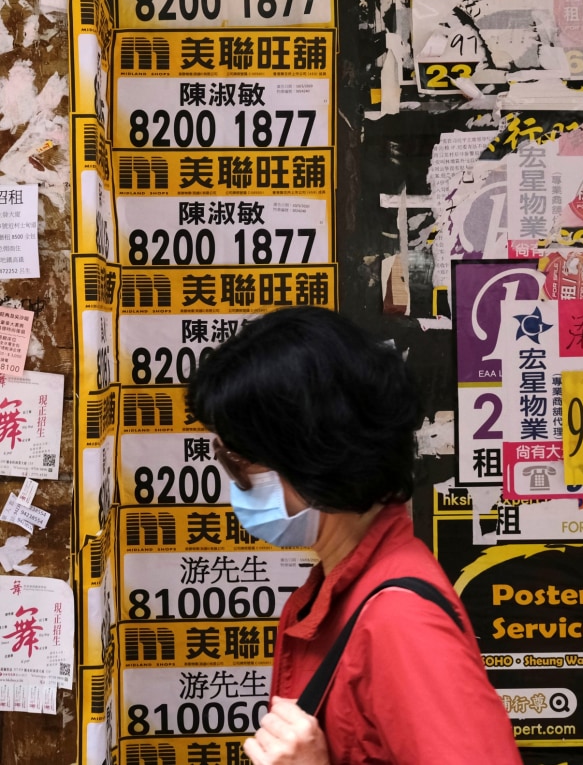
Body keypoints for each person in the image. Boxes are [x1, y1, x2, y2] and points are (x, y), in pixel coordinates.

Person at [187, 306, 522, 765]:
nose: (235, 483)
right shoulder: (345, 590)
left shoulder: (401, 622)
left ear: (312, 457)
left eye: (238, 462)